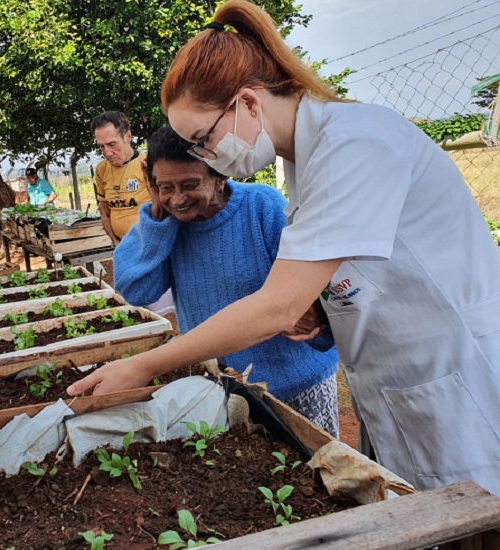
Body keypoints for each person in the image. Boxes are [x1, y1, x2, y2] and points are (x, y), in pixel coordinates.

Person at [69, 0, 500, 495]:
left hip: (452, 379)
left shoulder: (356, 143)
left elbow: (277, 305)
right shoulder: (308, 158)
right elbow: (345, 276)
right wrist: (322, 310)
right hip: (398, 381)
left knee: (472, 517)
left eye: (204, 140)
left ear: (248, 103)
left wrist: (144, 364)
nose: (208, 158)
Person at [114, 126, 340, 436]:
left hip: (296, 386)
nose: (177, 199)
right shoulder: (167, 223)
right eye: (165, 186)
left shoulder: (263, 207)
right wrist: (157, 218)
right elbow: (136, 290)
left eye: (190, 184)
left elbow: (317, 295)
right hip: (225, 391)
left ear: (220, 175)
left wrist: (314, 315)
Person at [91, 111, 151, 247]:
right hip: (121, 244)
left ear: (128, 136)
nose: (107, 153)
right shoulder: (101, 169)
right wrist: (114, 240)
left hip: (148, 243)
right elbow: (105, 211)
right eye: (101, 146)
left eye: (112, 144)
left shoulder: (147, 165)